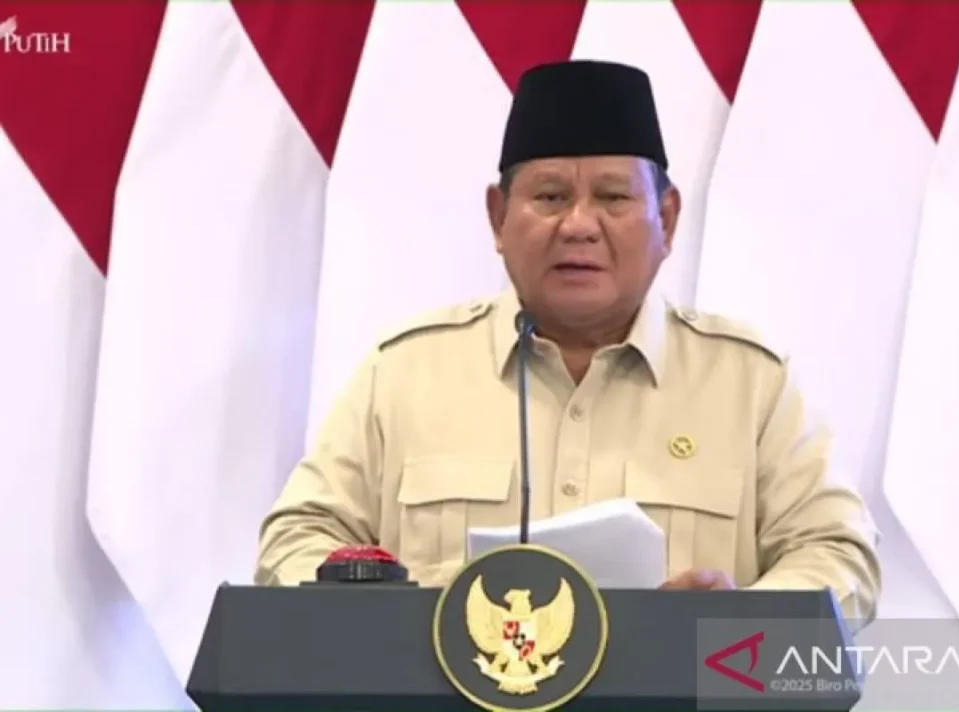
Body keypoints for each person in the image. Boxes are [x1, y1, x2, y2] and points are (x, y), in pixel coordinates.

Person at [255, 59, 881, 624]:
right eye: (551, 197)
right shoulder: (407, 372)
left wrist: (736, 623)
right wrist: (388, 619)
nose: (579, 225)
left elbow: (838, 553)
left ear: (666, 219)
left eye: (613, 197)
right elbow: (298, 537)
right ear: (498, 217)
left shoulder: (750, 383)